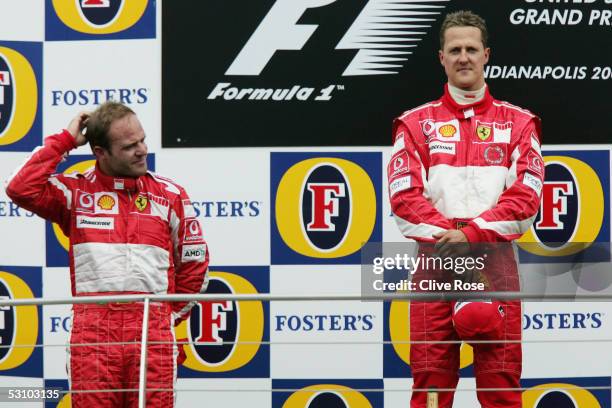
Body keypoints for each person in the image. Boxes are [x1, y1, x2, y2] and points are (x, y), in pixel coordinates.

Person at [5, 101, 209, 406]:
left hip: (152, 329)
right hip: (94, 333)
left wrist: (166, 317)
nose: (142, 150)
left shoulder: (170, 195)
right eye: (129, 146)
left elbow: (194, 263)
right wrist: (64, 142)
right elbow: (20, 188)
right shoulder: (75, 193)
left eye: (142, 140)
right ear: (100, 152)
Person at [387, 10, 543, 408]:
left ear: (486, 54)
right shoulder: (415, 124)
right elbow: (403, 198)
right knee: (431, 385)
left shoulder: (519, 123)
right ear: (441, 57)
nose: (463, 57)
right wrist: (451, 237)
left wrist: (470, 235)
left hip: (493, 260)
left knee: (501, 384)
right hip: (436, 260)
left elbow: (527, 197)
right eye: (454, 50)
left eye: (471, 49)